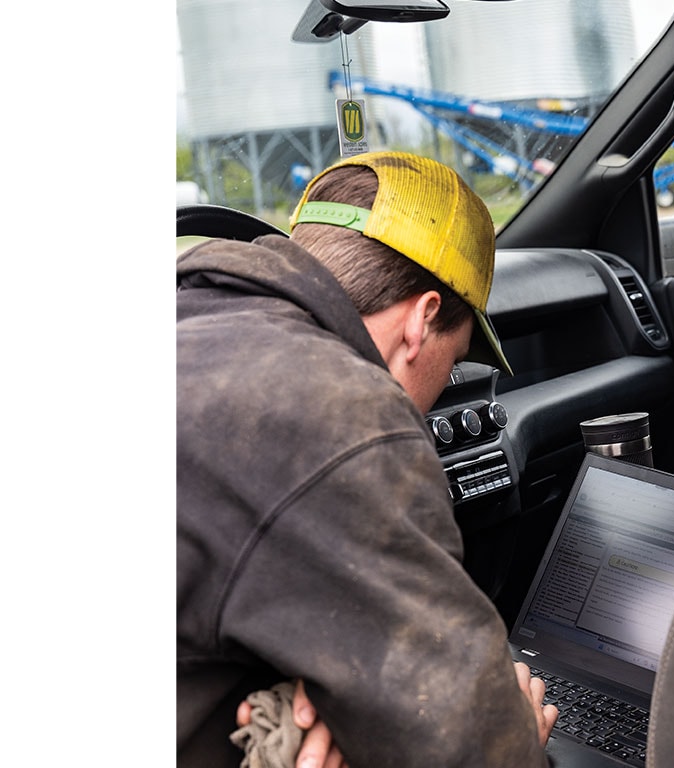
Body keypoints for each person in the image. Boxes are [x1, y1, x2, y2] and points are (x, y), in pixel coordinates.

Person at [177, 151, 558, 767]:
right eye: (456, 360)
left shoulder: (188, 317)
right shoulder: (346, 416)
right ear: (422, 319)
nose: (444, 384)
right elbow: (469, 746)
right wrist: (516, 733)